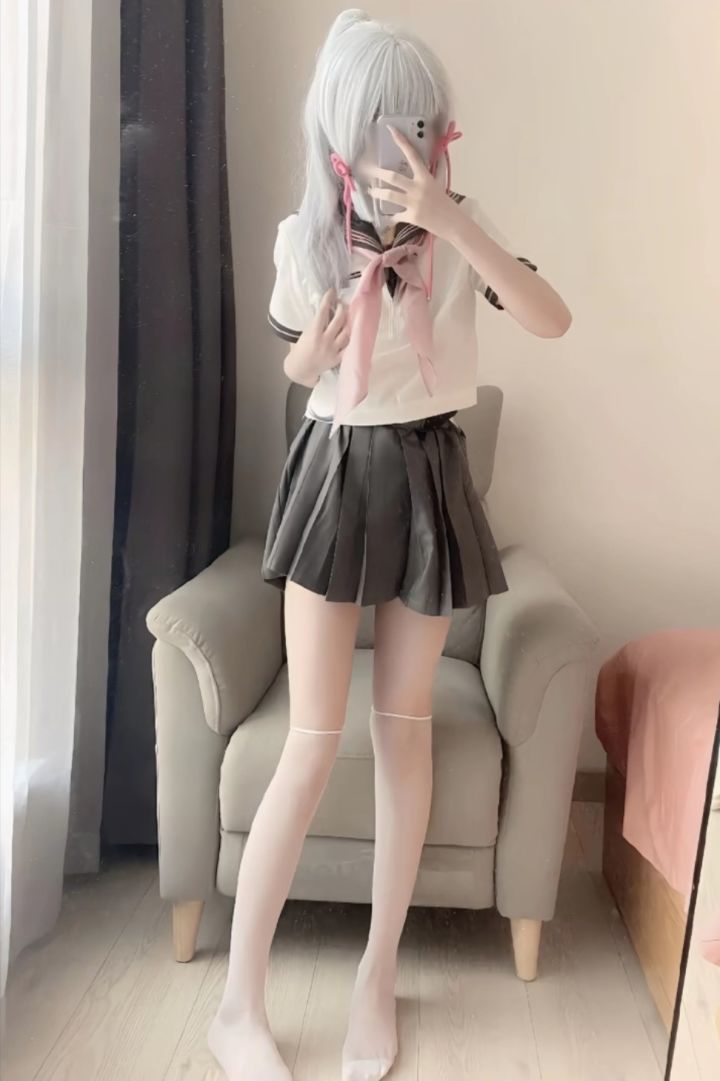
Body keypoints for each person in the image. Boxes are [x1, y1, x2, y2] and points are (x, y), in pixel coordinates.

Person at [209, 10, 571, 1081]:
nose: (405, 145)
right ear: (343, 128)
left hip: (427, 473)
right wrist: (308, 355)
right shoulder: (303, 239)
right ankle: (238, 1002)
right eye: (386, 123)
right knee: (312, 740)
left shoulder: (463, 231)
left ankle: (377, 975)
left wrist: (453, 224)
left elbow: (550, 318)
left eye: (422, 123)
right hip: (334, 470)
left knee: (404, 731)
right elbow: (298, 371)